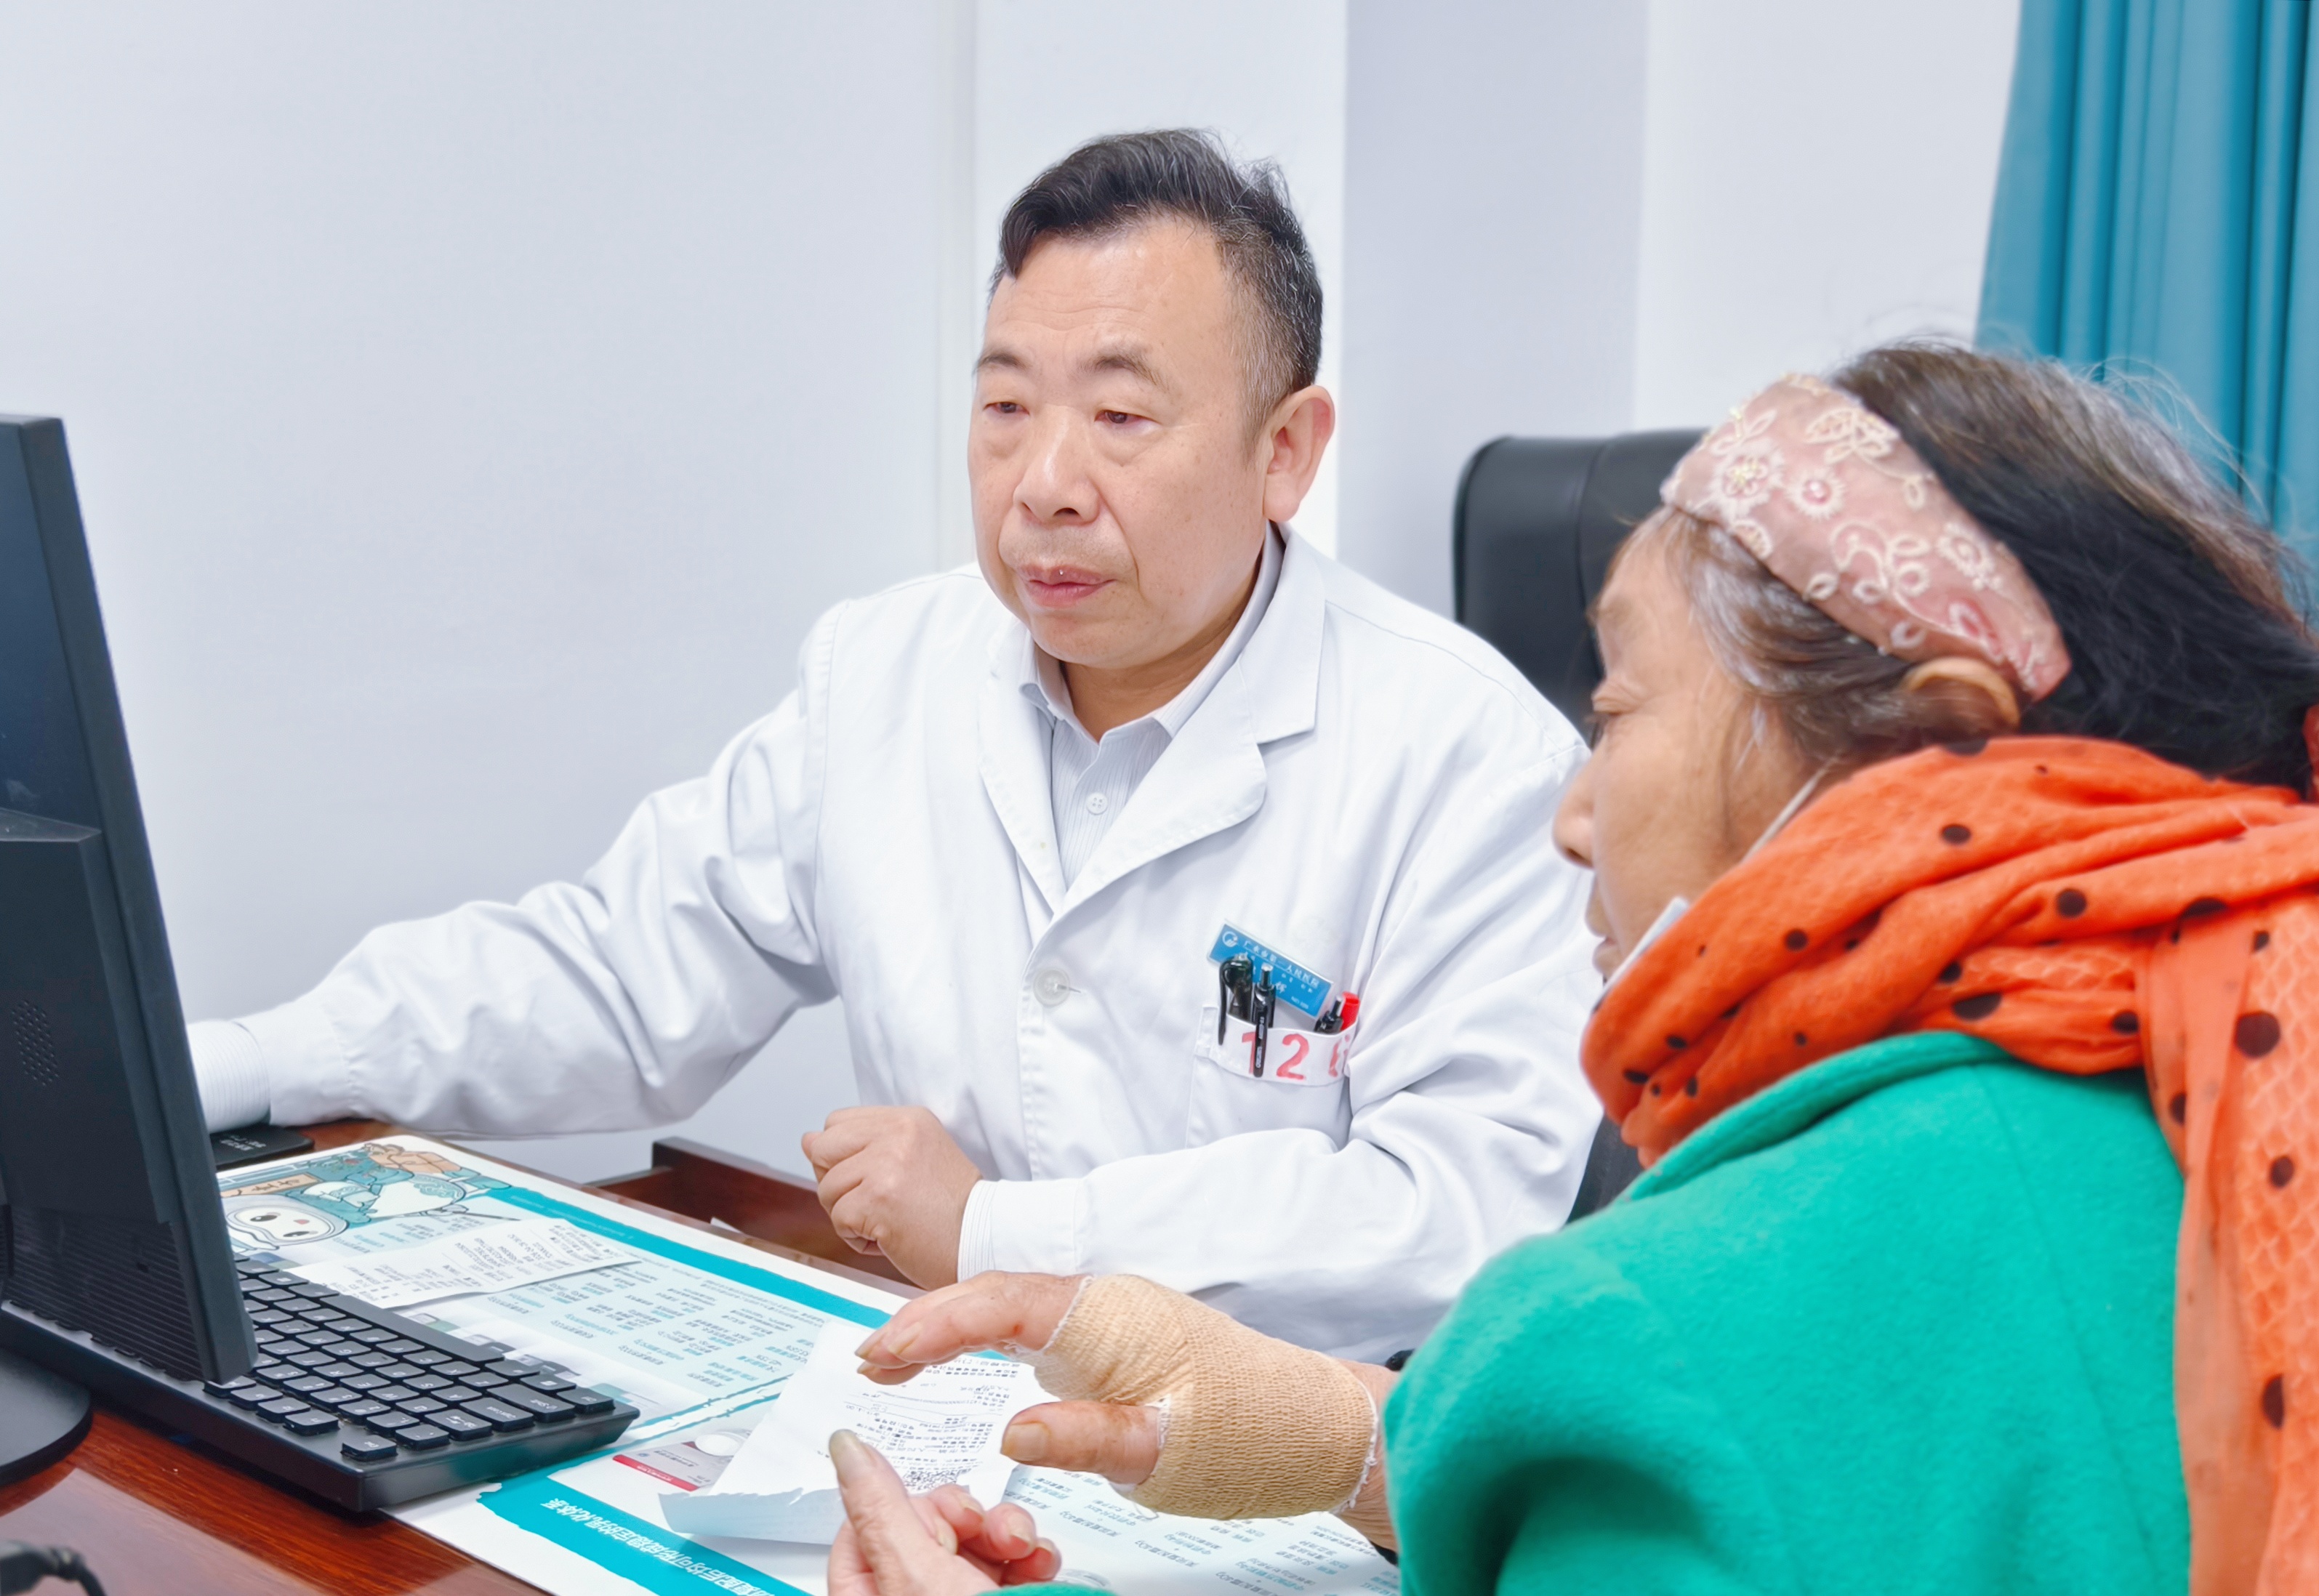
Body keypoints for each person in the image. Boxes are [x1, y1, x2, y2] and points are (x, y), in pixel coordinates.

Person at [821, 342, 2319, 1595]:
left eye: (1617, 709)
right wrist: (1353, 1438)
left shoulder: (1655, 1337)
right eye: (1004, 401)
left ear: (1935, 740)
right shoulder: (2237, 1075)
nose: (1573, 815)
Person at [183, 129, 1601, 1358]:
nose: (1044, 484)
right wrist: (238, 1063)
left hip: (1276, 1472)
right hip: (939, 1400)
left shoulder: (1462, 756)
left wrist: (999, 1232)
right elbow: (617, 979)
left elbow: (1452, 1214)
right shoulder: (883, 672)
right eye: (1004, 409)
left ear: (1284, 450)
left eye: (1119, 417)